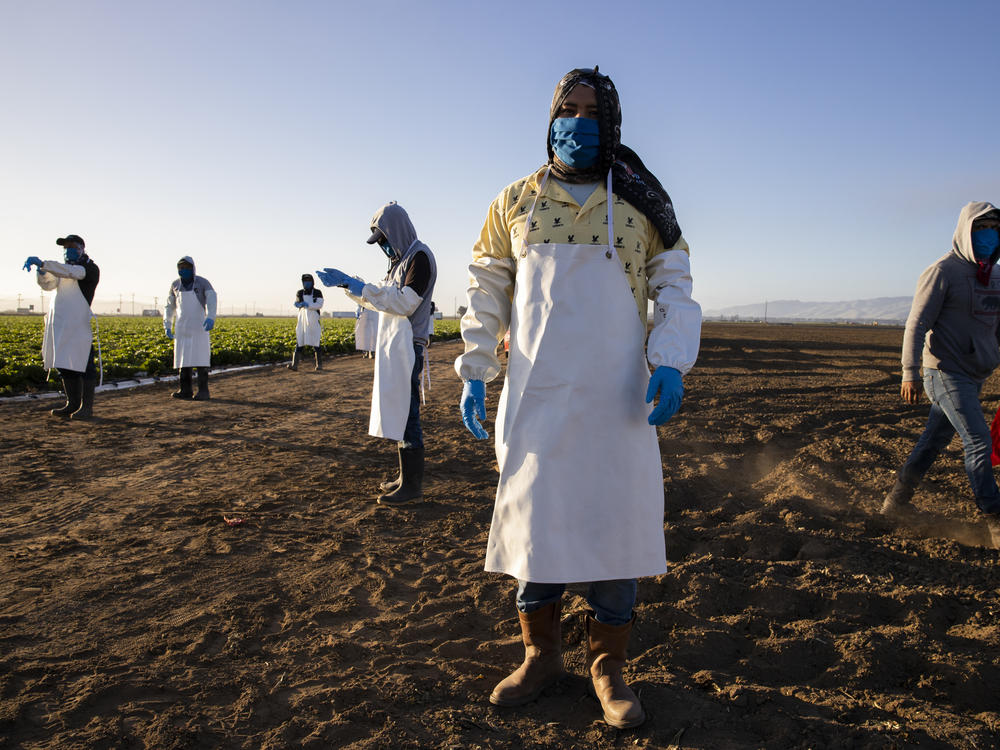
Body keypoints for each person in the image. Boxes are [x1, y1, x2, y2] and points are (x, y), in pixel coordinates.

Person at [454, 67, 701, 729]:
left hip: (618, 405)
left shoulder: (644, 204)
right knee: (537, 531)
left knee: (614, 532)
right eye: (569, 108)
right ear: (550, 115)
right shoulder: (515, 201)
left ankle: (608, 667)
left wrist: (670, 360)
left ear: (611, 122)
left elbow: (675, 284)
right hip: (538, 403)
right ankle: (541, 656)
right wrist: (476, 368)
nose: (578, 121)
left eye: (592, 112)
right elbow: (486, 289)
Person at [882, 201, 1000, 549]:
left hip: (975, 374)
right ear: (966, 230)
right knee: (978, 440)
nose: (989, 235)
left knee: (933, 441)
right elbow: (916, 324)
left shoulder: (995, 276)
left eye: (994, 227)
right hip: (944, 372)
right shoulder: (943, 271)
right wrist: (909, 372)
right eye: (982, 227)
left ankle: (895, 501)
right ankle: (994, 515)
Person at [317, 201, 437, 505]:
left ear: (396, 232)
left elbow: (403, 303)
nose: (382, 246)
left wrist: (362, 287)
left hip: (409, 345)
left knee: (408, 413)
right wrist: (350, 285)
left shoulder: (419, 258)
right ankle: (403, 476)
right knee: (398, 409)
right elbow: (380, 300)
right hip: (394, 346)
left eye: (383, 240)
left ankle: (413, 484)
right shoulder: (399, 262)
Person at [22, 234, 100, 419]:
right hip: (61, 323)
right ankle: (71, 403)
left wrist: (44, 263)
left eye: (72, 247)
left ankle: (86, 407)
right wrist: (42, 273)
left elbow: (72, 272)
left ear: (82, 248)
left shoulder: (89, 268)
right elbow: (48, 284)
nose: (68, 251)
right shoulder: (62, 269)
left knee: (84, 365)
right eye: (65, 248)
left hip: (78, 324)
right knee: (64, 364)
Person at [164, 256, 217, 400]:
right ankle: (185, 390)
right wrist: (167, 324)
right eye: (181, 268)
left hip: (200, 326)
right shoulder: (175, 285)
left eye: (186, 268)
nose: (183, 270)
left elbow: (212, 299)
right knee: (183, 359)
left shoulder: (202, 283)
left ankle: (203, 391)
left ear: (192, 268)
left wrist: (211, 317)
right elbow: (169, 307)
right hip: (182, 327)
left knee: (201, 359)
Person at [289, 273, 324, 371]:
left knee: (316, 342)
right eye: (305, 281)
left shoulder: (317, 292)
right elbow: (298, 303)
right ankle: (294, 365)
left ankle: (319, 365)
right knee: (300, 341)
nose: (307, 283)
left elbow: (319, 305)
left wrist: (308, 304)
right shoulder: (300, 292)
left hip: (313, 320)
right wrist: (298, 304)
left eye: (308, 281)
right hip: (302, 321)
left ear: (312, 282)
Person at [354, 292, 378, 359]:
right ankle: (365, 351)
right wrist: (358, 312)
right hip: (364, 317)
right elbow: (358, 306)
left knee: (373, 335)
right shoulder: (360, 299)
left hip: (373, 317)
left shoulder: (373, 298)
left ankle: (372, 351)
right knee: (363, 335)